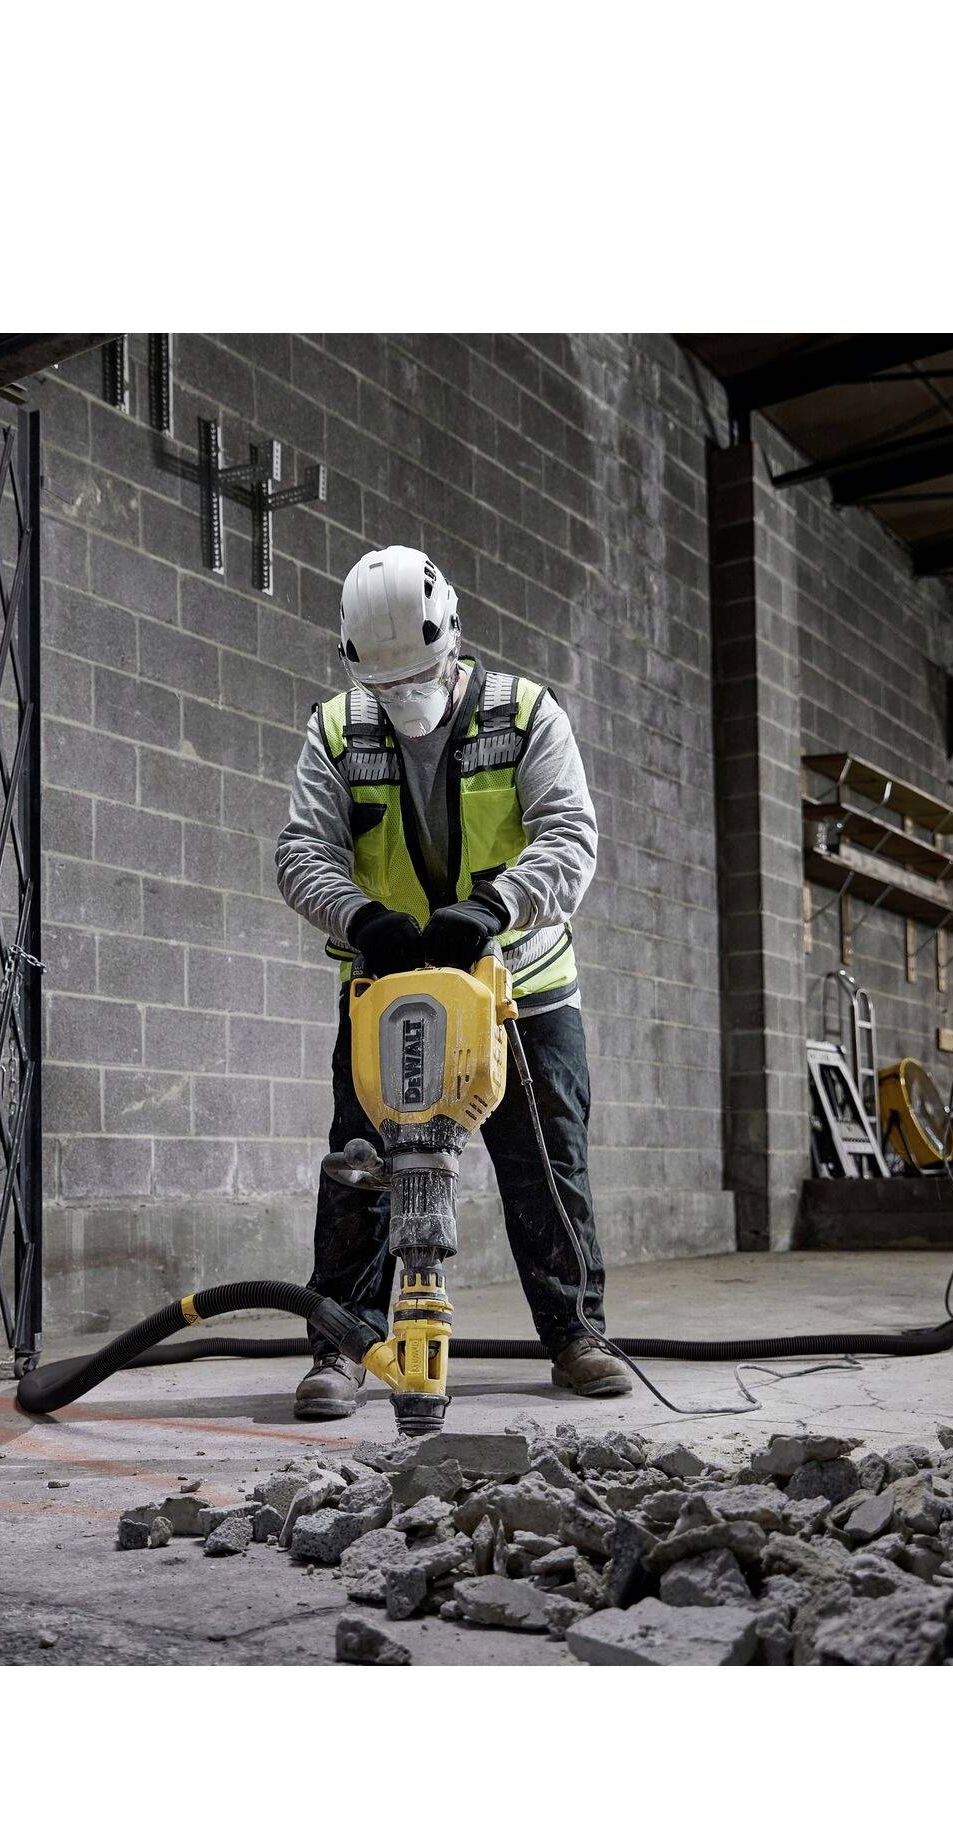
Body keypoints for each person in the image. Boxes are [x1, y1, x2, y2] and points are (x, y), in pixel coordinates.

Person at [274, 544, 625, 1419]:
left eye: (421, 676)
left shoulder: (526, 713)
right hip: (386, 989)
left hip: (523, 986)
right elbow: (301, 852)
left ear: (454, 640)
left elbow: (571, 836)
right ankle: (344, 1347)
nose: (407, 698)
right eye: (388, 687)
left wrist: (497, 906)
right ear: (354, 664)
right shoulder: (336, 730)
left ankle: (577, 1333)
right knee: (360, 1166)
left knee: (546, 1164)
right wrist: (362, 919)